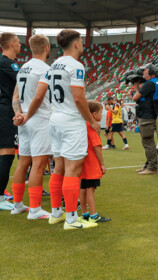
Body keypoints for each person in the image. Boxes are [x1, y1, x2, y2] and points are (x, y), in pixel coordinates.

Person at [47, 29, 100, 230]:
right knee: (73, 169)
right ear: (76, 43)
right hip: (71, 121)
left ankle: (56, 213)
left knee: (58, 167)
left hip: (55, 118)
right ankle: (71, 219)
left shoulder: (53, 65)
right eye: (81, 41)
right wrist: (92, 122)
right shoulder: (76, 66)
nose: (83, 45)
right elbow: (78, 97)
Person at [10, 34, 52, 219]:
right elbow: (39, 97)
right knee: (39, 164)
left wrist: (18, 115)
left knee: (23, 163)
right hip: (38, 119)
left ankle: (17, 205)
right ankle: (35, 209)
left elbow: (15, 97)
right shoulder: (45, 69)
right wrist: (27, 116)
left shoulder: (23, 69)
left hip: (24, 120)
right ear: (47, 47)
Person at [79, 101, 110, 223]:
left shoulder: (83, 125)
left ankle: (85, 213)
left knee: (83, 188)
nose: (102, 115)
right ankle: (93, 215)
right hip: (91, 163)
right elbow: (97, 147)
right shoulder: (92, 126)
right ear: (94, 114)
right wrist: (102, 163)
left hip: (82, 161)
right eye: (101, 112)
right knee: (91, 189)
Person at [0, 32, 21, 211]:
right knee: (7, 152)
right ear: (13, 43)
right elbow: (23, 82)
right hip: (6, 110)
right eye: (19, 42)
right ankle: (0, 197)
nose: (21, 45)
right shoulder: (8, 63)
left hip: (3, 109)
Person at [132, 64, 158, 175]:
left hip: (147, 116)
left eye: (145, 71)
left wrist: (136, 86)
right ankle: (148, 165)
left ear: (151, 73)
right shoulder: (155, 82)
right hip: (150, 115)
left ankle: (152, 167)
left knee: (148, 142)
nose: (143, 73)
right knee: (148, 142)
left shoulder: (149, 83)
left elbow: (135, 97)